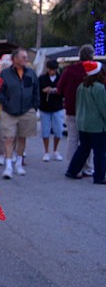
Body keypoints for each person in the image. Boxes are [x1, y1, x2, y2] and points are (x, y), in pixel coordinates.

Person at [0, 48, 40, 179]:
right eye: (23, 57)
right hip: (9, 112)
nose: (26, 59)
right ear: (14, 59)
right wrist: (7, 103)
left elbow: (36, 90)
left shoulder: (31, 73)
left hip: (27, 111)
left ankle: (19, 163)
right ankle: (8, 166)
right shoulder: (5, 74)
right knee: (9, 138)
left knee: (22, 137)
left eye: (26, 57)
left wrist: (34, 107)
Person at [65, 61, 106, 184]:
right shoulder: (99, 88)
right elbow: (103, 108)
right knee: (100, 151)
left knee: (84, 147)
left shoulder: (82, 86)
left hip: (83, 123)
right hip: (96, 125)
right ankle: (99, 176)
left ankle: (72, 170)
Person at [58, 44, 96, 176]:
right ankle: (87, 167)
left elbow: (60, 89)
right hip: (90, 112)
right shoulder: (95, 70)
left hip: (72, 109)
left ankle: (73, 166)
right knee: (88, 141)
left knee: (73, 139)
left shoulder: (69, 70)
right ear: (91, 56)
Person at [38, 59, 64, 161]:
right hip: (45, 108)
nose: (52, 72)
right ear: (47, 69)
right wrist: (43, 90)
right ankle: (46, 151)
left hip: (57, 107)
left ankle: (55, 150)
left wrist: (57, 91)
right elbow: (37, 91)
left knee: (59, 130)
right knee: (45, 131)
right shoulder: (42, 78)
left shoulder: (60, 78)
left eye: (53, 70)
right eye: (50, 69)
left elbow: (63, 91)